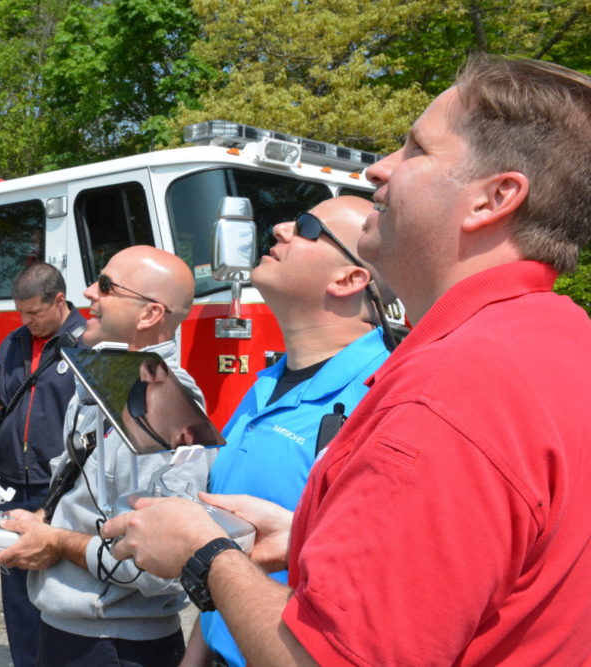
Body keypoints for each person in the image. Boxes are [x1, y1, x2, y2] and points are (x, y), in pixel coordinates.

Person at [103, 54, 591, 665]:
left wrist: (204, 555)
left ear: (494, 198)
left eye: (415, 149)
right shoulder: (561, 338)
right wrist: (304, 539)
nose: (380, 169)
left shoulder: (450, 390)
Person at [185, 196, 394, 667]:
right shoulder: (266, 382)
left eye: (306, 227)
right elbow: (235, 546)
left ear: (349, 279)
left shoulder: (382, 399)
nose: (279, 228)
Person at [0, 245, 212, 666]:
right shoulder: (110, 380)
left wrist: (54, 541)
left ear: (149, 315)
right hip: (77, 631)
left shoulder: (157, 398)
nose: (89, 291)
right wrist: (42, 520)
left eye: (107, 286)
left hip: (115, 644)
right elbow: (85, 497)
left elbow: (153, 564)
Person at [0, 262, 86, 667]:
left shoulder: (87, 342)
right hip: (11, 484)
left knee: (62, 590)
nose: (27, 321)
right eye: (21, 313)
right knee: (17, 593)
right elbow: (1, 401)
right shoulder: (14, 343)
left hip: (61, 486)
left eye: (34, 313)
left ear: (60, 301)